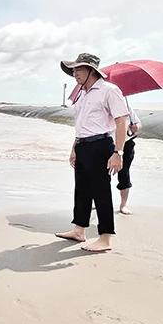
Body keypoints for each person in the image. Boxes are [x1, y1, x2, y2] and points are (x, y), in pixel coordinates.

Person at [57, 53, 129, 252]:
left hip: (100, 145)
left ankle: (105, 238)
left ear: (91, 70)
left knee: (101, 191)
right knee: (81, 190)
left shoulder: (109, 90)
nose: (74, 73)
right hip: (83, 145)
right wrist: (74, 149)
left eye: (78, 69)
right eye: (73, 70)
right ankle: (79, 230)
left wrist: (118, 153)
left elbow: (121, 121)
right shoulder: (82, 93)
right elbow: (81, 124)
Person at [117, 104, 142, 215]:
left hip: (126, 144)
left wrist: (136, 126)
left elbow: (138, 122)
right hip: (107, 142)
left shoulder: (126, 106)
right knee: (101, 174)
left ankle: (124, 204)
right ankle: (99, 202)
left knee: (124, 174)